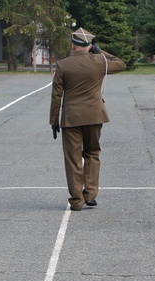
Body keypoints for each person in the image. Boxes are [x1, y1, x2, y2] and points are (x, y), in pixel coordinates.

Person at [49, 27, 126, 211]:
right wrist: (100, 52)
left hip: (72, 118)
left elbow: (56, 96)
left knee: (73, 158)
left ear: (73, 46)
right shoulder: (100, 61)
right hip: (94, 115)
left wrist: (54, 120)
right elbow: (121, 64)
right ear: (90, 46)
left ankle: (76, 199)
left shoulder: (63, 65)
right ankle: (90, 194)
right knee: (92, 153)